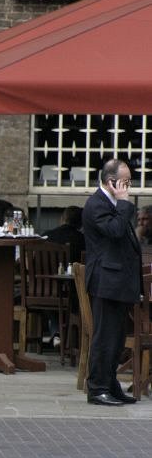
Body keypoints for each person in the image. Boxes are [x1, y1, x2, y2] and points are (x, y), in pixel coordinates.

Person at [82, 159, 141, 406]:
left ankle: (110, 383)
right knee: (105, 337)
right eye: (125, 181)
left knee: (116, 339)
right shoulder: (97, 204)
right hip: (106, 281)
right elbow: (115, 231)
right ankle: (97, 388)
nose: (129, 186)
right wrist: (125, 203)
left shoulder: (113, 203)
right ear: (111, 182)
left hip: (119, 282)